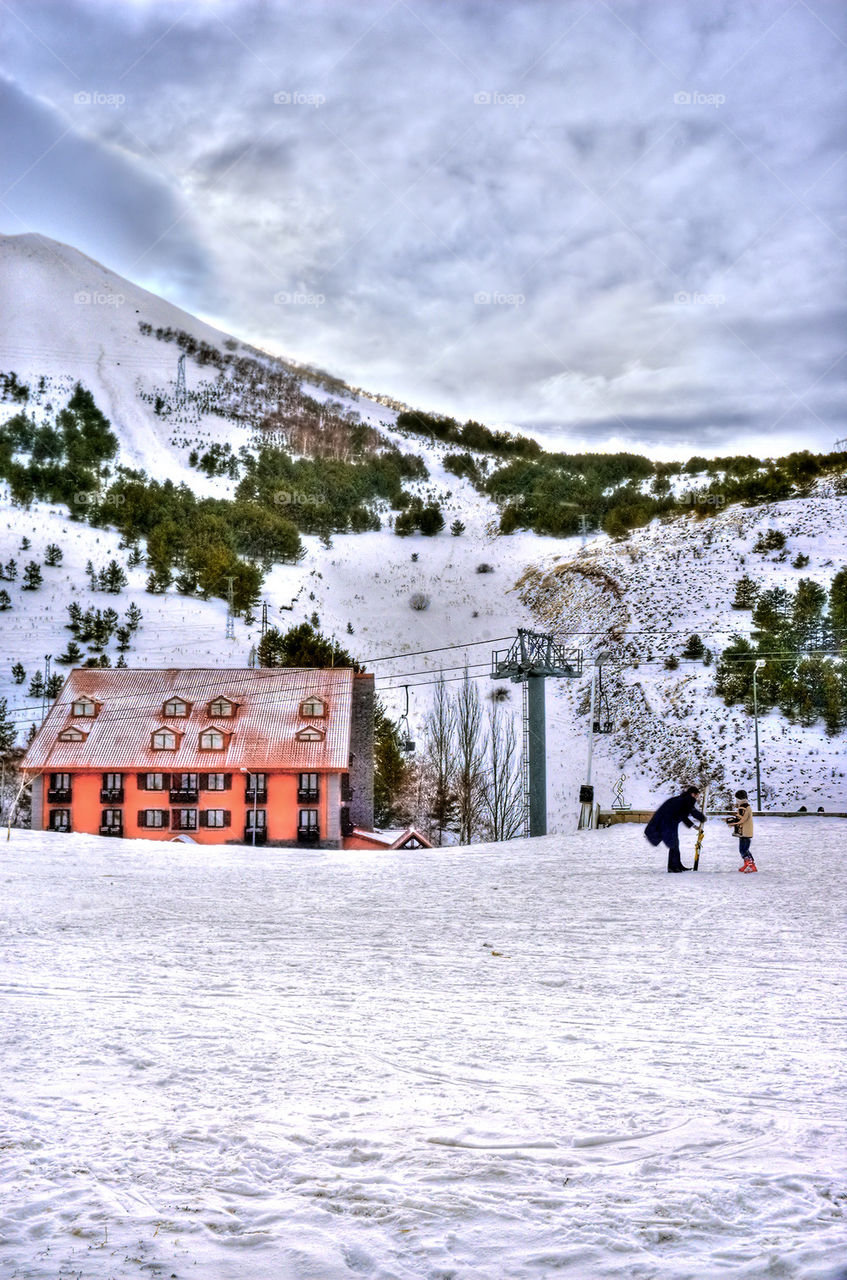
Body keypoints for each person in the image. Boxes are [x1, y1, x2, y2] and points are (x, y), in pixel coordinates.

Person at [644, 785, 706, 873]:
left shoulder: (682, 799)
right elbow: (693, 811)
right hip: (668, 822)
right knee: (673, 844)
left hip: (669, 822)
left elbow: (683, 815)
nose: (697, 798)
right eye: (697, 795)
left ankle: (677, 865)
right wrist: (703, 818)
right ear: (693, 794)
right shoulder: (688, 799)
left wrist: (693, 826)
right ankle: (673, 867)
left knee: (675, 843)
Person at [726, 790, 756, 872]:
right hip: (745, 832)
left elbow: (740, 819)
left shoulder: (743, 807)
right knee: (744, 849)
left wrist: (730, 821)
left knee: (743, 850)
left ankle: (750, 865)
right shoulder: (745, 806)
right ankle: (749, 864)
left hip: (744, 832)